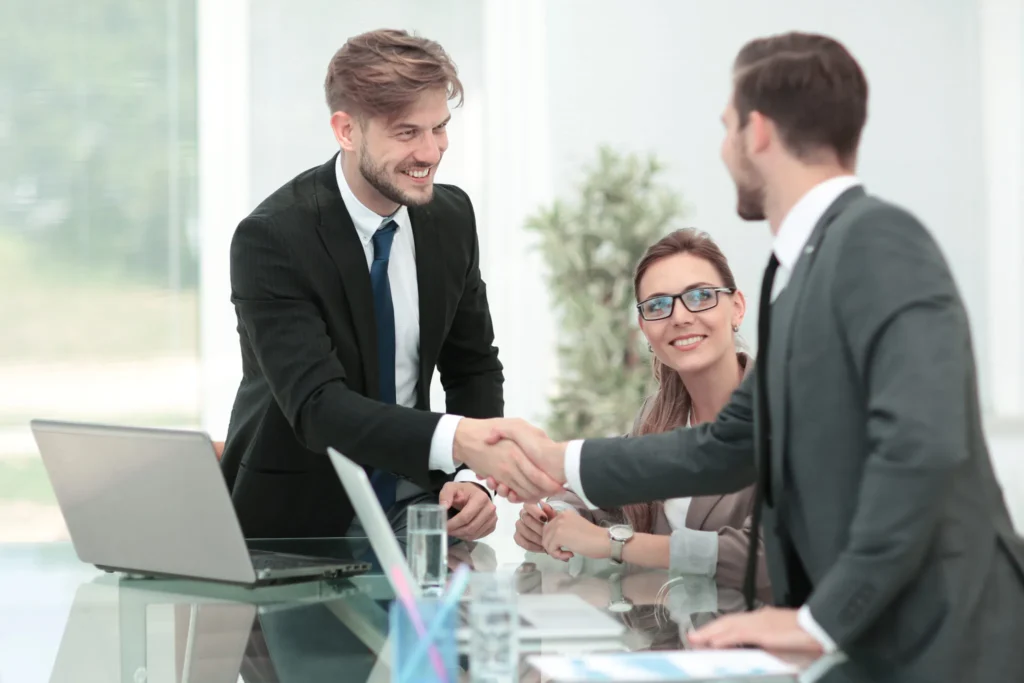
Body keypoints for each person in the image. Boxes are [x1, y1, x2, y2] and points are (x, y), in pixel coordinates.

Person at [487, 31, 1024, 682]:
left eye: (725, 127)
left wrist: (817, 619)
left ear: (759, 132)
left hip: (945, 644)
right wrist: (557, 459)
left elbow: (924, 448)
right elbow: (723, 445)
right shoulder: (799, 270)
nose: (723, 148)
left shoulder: (879, 240)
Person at [220, 29, 557, 541]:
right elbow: (318, 408)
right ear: (346, 130)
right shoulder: (272, 238)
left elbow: (472, 363)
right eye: (407, 133)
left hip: (417, 509)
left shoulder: (451, 216)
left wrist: (471, 479)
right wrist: (462, 440)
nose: (431, 152)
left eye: (439, 128)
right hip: (293, 525)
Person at [513, 229, 771, 603]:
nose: (680, 317)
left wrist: (616, 545)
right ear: (645, 328)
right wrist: (552, 517)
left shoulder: (783, 411)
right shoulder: (660, 413)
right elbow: (611, 499)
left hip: (759, 637)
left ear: (737, 307)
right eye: (657, 305)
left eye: (700, 297)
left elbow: (761, 556)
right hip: (673, 634)